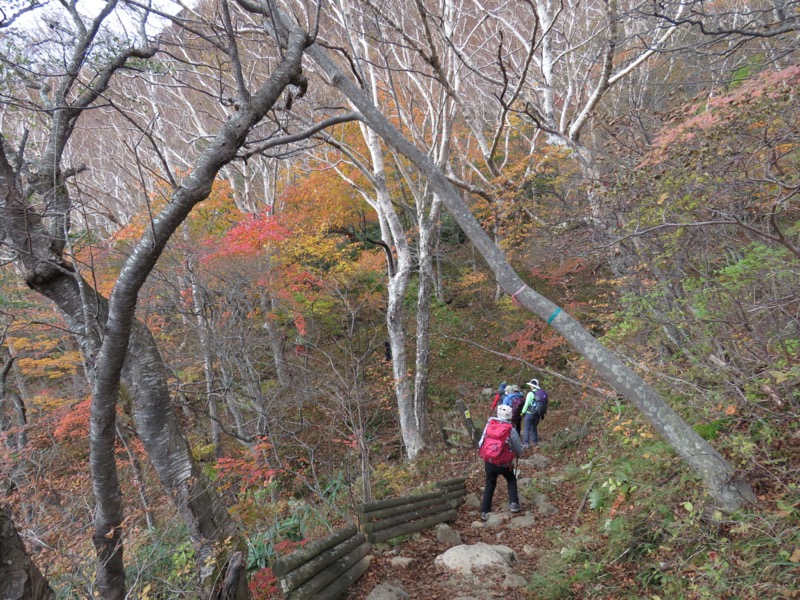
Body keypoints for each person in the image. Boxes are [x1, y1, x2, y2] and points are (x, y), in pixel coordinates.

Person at [478, 404, 523, 520]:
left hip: (489, 461)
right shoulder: (510, 429)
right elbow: (519, 448)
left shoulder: (490, 425)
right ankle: (514, 503)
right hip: (504, 463)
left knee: (490, 484)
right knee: (511, 479)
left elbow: (480, 443)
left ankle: (484, 511)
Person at [522, 378, 546, 449]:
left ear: (533, 386)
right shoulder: (541, 393)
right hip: (538, 414)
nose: (530, 386)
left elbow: (526, 404)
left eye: (531, 385)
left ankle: (526, 443)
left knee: (526, 428)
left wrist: (522, 412)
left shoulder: (530, 393)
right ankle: (535, 443)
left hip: (530, 413)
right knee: (534, 428)